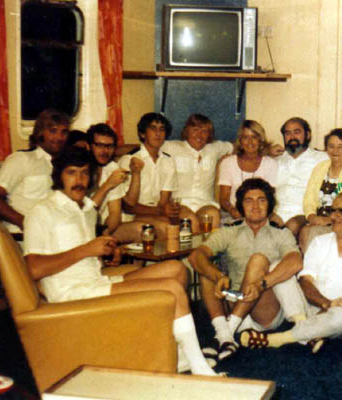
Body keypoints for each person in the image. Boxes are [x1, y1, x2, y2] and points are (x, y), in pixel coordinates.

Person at [23, 147, 216, 376]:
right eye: (71, 173)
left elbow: (81, 253)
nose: (79, 180)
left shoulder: (85, 209)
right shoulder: (42, 212)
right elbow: (33, 269)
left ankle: (176, 352)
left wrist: (107, 252)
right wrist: (86, 250)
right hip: (73, 292)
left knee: (176, 269)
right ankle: (199, 366)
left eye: (84, 173)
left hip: (97, 281)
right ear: (59, 176)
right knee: (172, 289)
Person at [239, 192, 342, 353]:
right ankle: (306, 329)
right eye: (332, 210)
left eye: (341, 211)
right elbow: (305, 282)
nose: (334, 216)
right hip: (312, 305)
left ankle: (277, 339)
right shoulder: (319, 242)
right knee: (278, 267)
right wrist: (325, 303)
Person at [189, 178, 307, 365]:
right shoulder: (230, 231)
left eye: (261, 200)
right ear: (241, 206)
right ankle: (225, 335)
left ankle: (225, 333)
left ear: (270, 204)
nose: (255, 206)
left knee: (257, 260)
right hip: (234, 298)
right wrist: (217, 275)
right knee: (206, 270)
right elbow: (197, 256)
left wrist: (261, 284)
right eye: (249, 201)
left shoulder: (280, 233)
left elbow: (295, 261)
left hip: (264, 306)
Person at [0, 109, 69, 233]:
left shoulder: (65, 166)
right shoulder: (22, 159)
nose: (59, 137)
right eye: (53, 131)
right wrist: (24, 222)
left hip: (54, 232)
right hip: (23, 235)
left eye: (64, 132)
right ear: (40, 133)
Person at [300, 128, 342, 251]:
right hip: (318, 221)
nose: (335, 151)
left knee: (310, 232)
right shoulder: (320, 168)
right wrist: (312, 217)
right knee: (306, 231)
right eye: (331, 146)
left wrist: (327, 220)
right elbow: (309, 198)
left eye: (341, 147)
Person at [162, 114, 234, 232]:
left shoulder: (214, 148)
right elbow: (148, 147)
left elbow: (239, 146)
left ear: (209, 135)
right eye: (195, 130)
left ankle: (208, 244)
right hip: (180, 204)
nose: (199, 135)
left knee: (213, 216)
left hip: (205, 203)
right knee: (190, 220)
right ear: (187, 131)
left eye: (204, 131)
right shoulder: (171, 147)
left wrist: (266, 149)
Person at [118, 113, 178, 239]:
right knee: (167, 228)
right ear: (142, 134)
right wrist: (161, 211)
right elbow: (127, 207)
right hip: (131, 217)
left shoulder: (168, 161)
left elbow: (163, 201)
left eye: (162, 129)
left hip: (155, 213)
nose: (158, 133)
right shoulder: (128, 160)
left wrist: (165, 211)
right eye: (153, 128)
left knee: (186, 222)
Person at [269, 117, 328, 236]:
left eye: (297, 132)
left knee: (292, 226)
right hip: (277, 212)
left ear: (308, 135)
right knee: (268, 227)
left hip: (304, 213)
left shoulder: (322, 158)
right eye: (287, 133)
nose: (292, 137)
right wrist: (265, 152)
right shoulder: (276, 160)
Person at [87, 123, 145, 242]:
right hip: (80, 226)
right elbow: (83, 213)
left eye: (110, 146)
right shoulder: (80, 169)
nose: (105, 151)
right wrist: (108, 184)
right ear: (89, 146)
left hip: (101, 228)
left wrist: (104, 236)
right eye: (100, 145)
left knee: (142, 230)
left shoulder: (112, 168)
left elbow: (115, 214)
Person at [218, 120, 278, 221]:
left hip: (260, 215)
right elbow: (224, 199)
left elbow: (270, 198)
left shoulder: (270, 163)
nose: (250, 142)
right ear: (240, 141)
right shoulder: (228, 162)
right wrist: (232, 210)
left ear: (260, 140)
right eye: (245, 137)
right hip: (233, 215)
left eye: (254, 137)